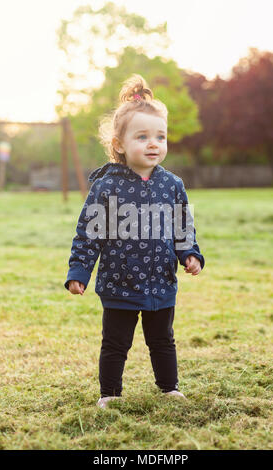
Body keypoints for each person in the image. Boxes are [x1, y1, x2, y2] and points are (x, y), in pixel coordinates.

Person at [64, 74, 205, 409]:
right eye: (142, 136)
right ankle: (110, 395)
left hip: (160, 282)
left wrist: (190, 254)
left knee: (163, 340)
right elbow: (89, 233)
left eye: (160, 136)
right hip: (119, 283)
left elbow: (182, 225)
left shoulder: (172, 184)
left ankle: (169, 388)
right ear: (120, 144)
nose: (153, 143)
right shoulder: (106, 186)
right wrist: (79, 272)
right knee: (115, 343)